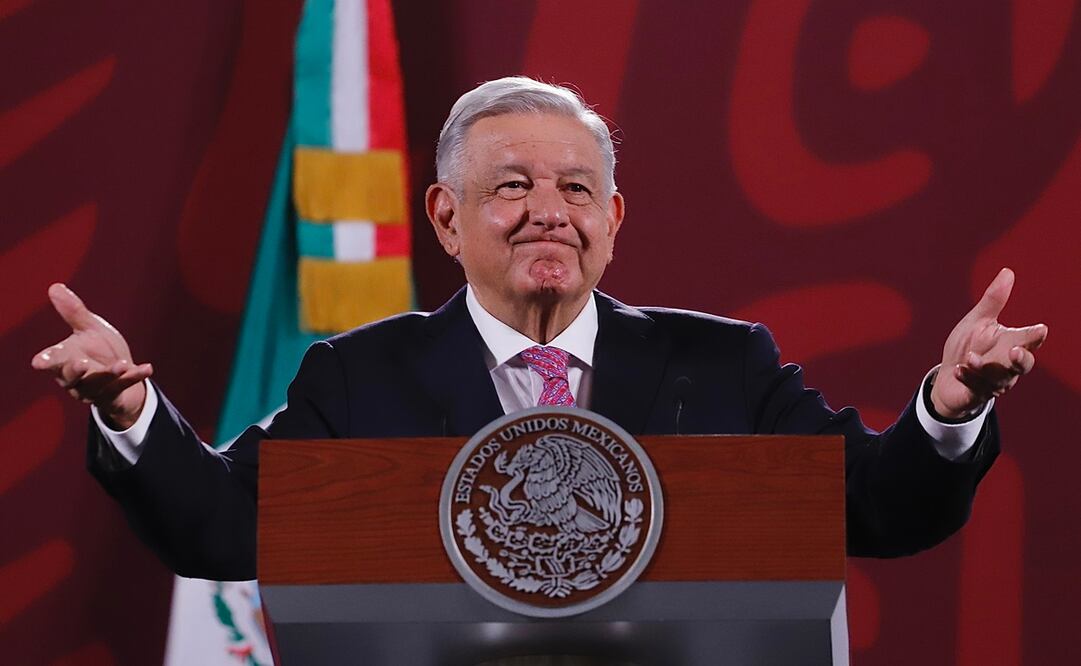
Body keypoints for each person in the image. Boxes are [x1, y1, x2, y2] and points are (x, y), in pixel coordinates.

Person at [32, 77, 1047, 581]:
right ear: (445, 217)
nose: (547, 210)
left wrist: (947, 408)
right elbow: (224, 529)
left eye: (575, 187)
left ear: (613, 218)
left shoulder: (722, 366)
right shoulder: (359, 379)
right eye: (509, 187)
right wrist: (131, 410)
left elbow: (877, 510)